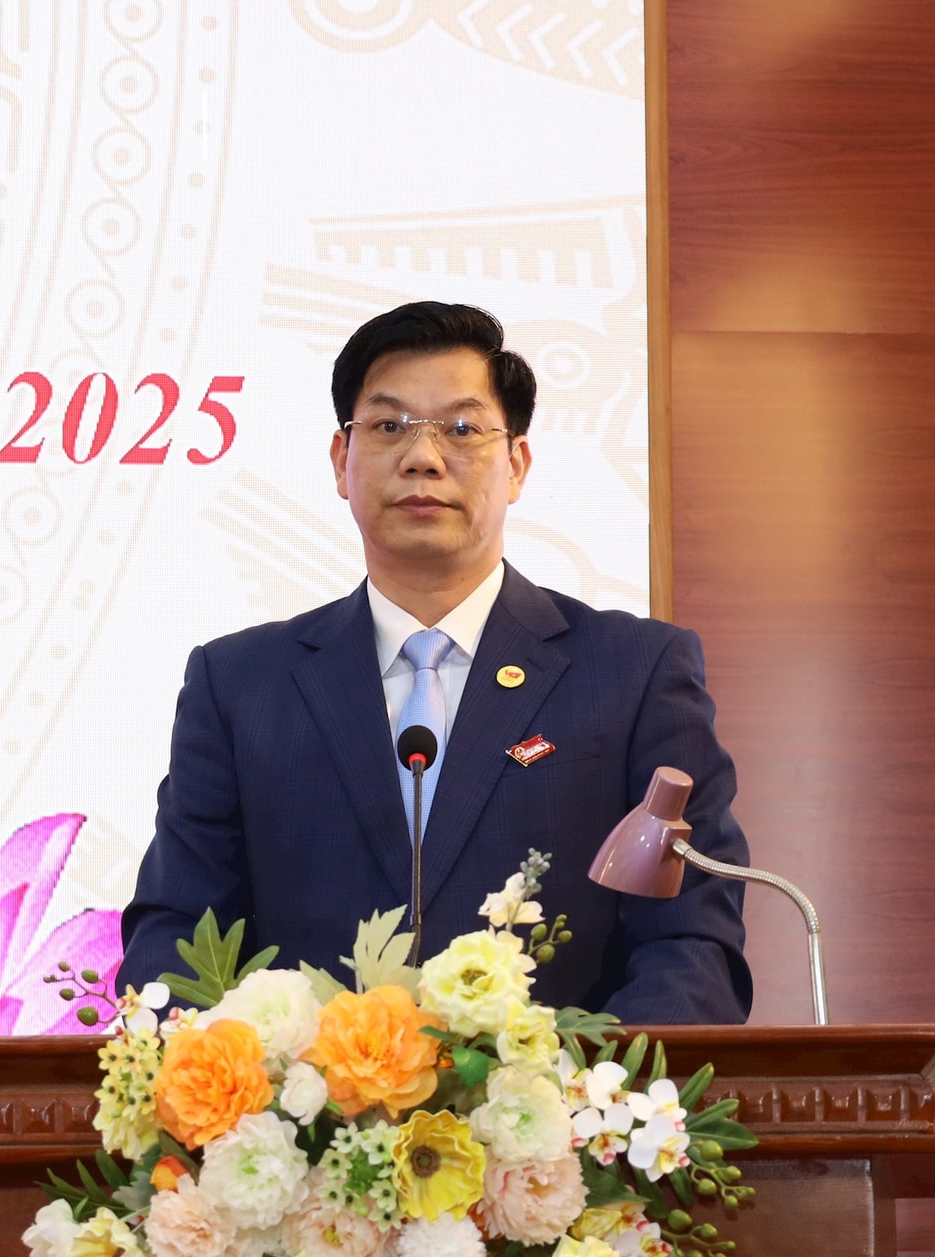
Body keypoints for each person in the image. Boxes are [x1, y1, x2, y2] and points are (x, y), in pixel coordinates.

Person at [118, 302, 751, 1023]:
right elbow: (176, 936)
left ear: (516, 465)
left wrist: (585, 1084)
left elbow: (692, 940)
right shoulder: (240, 686)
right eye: (389, 426)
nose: (423, 456)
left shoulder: (633, 672)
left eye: (461, 429)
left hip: (562, 1092)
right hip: (303, 1094)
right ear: (341, 461)